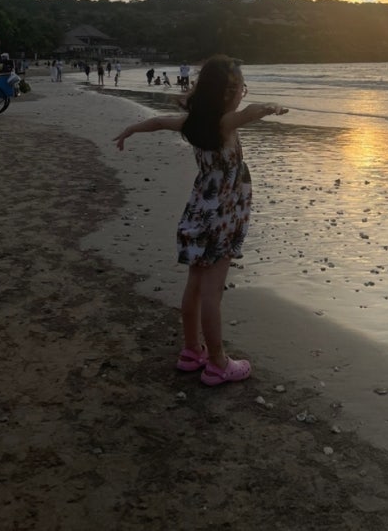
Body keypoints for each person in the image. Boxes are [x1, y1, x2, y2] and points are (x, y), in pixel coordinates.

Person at [113, 55, 288, 386]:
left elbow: (160, 122)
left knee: (195, 285)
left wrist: (132, 129)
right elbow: (248, 114)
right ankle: (218, 362)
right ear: (228, 92)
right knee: (212, 292)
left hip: (198, 212)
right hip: (221, 217)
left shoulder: (192, 122)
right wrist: (270, 107)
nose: (243, 95)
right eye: (241, 89)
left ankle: (192, 351)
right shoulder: (224, 123)